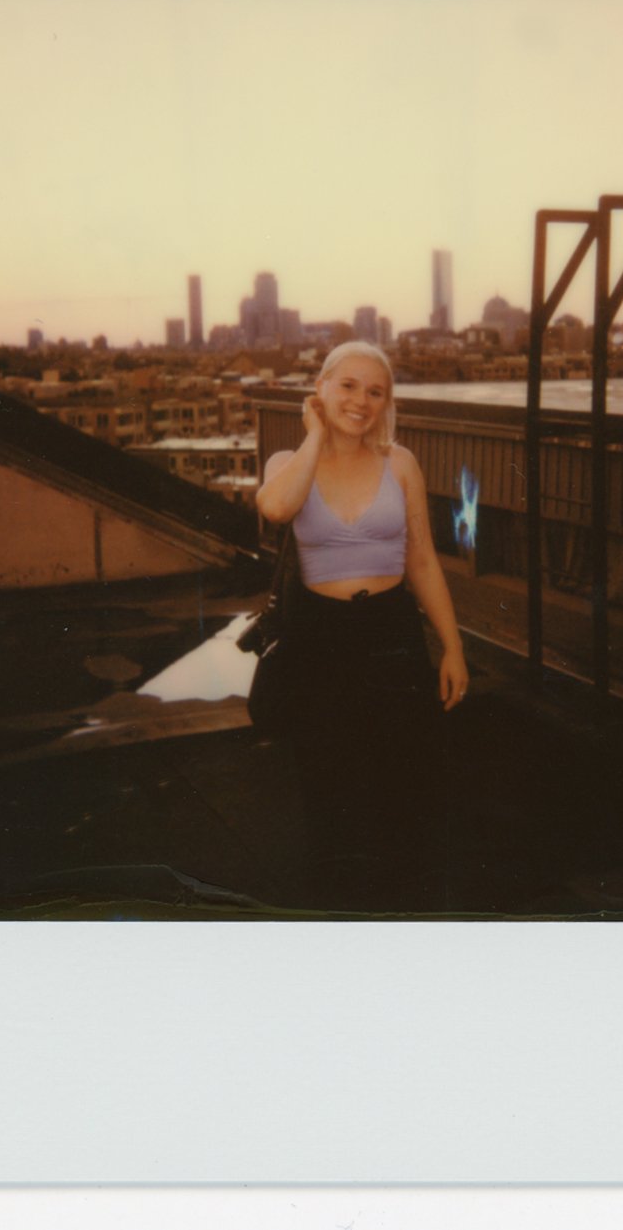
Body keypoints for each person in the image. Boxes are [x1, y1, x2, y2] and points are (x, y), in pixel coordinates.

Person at [255, 340, 470, 911]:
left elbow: (422, 559)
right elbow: (277, 509)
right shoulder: (288, 463)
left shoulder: (399, 463)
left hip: (390, 635)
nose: (361, 400)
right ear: (320, 389)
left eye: (376, 391)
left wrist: (451, 646)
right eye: (347, 385)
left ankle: (406, 913)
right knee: (328, 783)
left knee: (407, 779)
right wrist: (314, 435)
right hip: (318, 638)